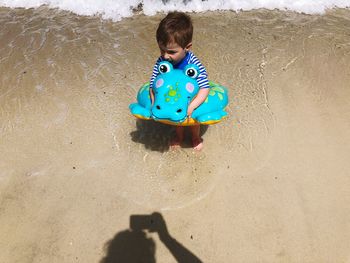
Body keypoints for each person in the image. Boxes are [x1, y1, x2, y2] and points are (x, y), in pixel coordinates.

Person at [149, 11, 210, 151]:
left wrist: (192, 106)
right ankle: (179, 136)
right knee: (175, 118)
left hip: (189, 98)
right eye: (161, 49)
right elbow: (153, 83)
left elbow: (205, 87)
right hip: (173, 97)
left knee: (194, 122)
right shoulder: (162, 62)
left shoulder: (193, 64)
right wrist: (153, 102)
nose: (165, 56)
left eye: (171, 52)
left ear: (187, 47)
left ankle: (195, 137)